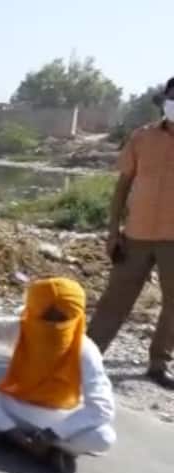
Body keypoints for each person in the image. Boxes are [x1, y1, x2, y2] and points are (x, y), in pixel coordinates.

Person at [0, 277, 116, 473]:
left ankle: (9, 433)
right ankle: (25, 442)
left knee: (104, 438)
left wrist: (54, 433)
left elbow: (102, 408)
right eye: (46, 317)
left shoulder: (85, 350)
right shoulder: (21, 329)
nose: (53, 325)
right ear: (33, 311)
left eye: (61, 319)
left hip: (57, 418)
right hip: (14, 404)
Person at [88, 76, 174, 390]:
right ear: (164, 100)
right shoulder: (142, 137)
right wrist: (113, 231)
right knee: (114, 300)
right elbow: (123, 185)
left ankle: (158, 364)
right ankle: (86, 358)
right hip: (136, 234)